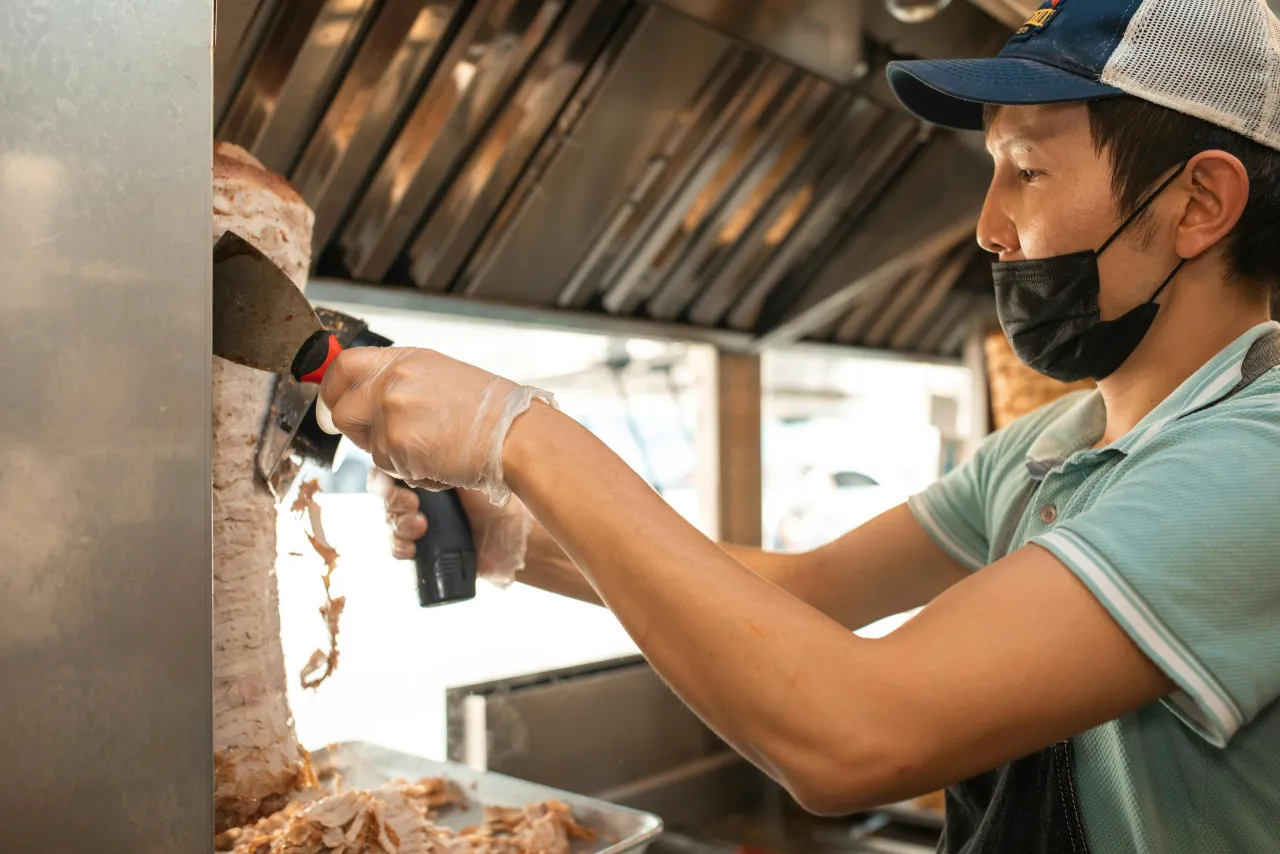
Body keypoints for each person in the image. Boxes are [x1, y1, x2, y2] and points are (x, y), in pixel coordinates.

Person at [324, 1, 1280, 850]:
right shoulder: (1054, 446)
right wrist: (525, 534)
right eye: (991, 169)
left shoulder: (1258, 457)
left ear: (1200, 203)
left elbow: (858, 735)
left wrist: (522, 437)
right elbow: (811, 593)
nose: (989, 226)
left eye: (1027, 169)